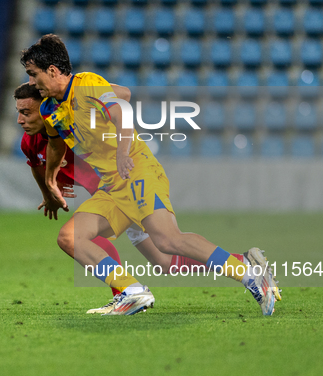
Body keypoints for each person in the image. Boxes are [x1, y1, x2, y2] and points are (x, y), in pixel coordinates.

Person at [20, 34, 281, 316]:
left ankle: (250, 274)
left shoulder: (87, 85)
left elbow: (122, 113)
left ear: (53, 71)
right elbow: (57, 144)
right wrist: (49, 180)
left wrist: (122, 151)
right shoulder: (50, 107)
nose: (31, 83)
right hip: (112, 186)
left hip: (136, 170)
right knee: (71, 238)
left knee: (168, 241)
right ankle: (132, 292)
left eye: (33, 75)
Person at [14, 82, 218, 313]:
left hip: (124, 188)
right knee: (166, 262)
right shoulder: (29, 142)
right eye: (19, 112)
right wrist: (48, 193)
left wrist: (83, 95)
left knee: (81, 238)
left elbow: (123, 94)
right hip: (108, 198)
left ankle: (127, 293)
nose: (20, 120)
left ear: (45, 109)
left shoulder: (74, 122)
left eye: (26, 112)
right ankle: (242, 263)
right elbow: (37, 167)